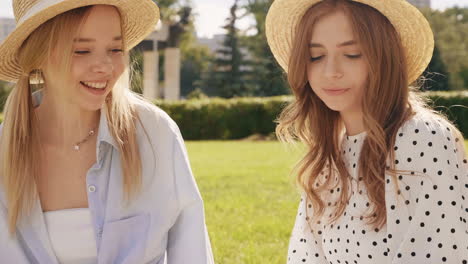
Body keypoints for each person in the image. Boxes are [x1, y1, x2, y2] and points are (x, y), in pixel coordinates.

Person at [0, 1, 214, 263]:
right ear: (38, 55)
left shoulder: (155, 134)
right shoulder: (3, 151)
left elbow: (191, 249)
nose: (104, 66)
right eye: (81, 50)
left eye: (115, 48)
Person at [265, 0, 468, 263]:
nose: (331, 72)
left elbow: (443, 253)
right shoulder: (329, 156)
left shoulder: (423, 139)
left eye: (352, 54)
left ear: (383, 57)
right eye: (315, 56)